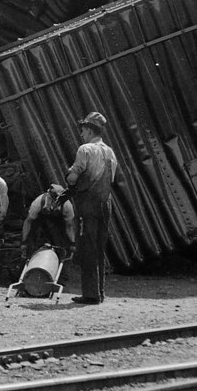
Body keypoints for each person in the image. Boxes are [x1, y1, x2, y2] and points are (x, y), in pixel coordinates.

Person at [61, 111, 118, 304]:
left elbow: (74, 176)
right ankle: (100, 292)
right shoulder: (110, 151)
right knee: (99, 248)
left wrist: (69, 176)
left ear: (89, 130)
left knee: (87, 248)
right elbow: (112, 178)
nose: (81, 134)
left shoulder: (85, 149)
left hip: (89, 205)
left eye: (83, 130)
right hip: (105, 204)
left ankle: (91, 295)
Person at [21, 184, 76, 256]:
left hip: (58, 223)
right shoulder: (38, 202)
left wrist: (73, 243)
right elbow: (28, 222)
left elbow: (69, 226)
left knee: (61, 245)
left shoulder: (67, 206)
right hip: (41, 221)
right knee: (33, 239)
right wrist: (24, 242)